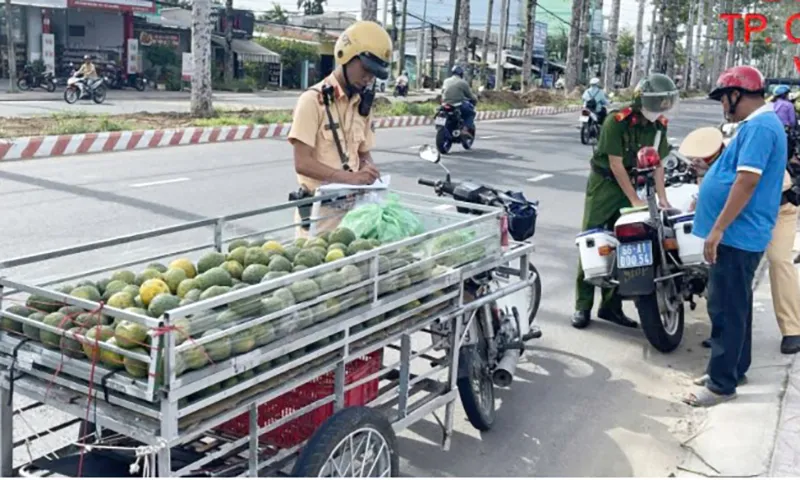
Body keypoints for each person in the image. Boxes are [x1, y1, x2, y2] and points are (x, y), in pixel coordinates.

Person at [684, 65, 787, 407]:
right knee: (736, 305)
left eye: (723, 98)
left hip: (738, 234)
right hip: (741, 232)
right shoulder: (758, 124)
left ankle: (721, 384)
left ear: (736, 95)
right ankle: (732, 368)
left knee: (725, 308)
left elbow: (747, 181)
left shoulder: (760, 126)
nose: (722, 106)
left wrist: (717, 228)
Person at [572, 73, 678, 330]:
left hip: (632, 183)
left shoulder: (658, 127)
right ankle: (582, 306)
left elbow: (659, 164)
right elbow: (615, 164)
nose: (660, 108)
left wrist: (663, 198)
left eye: (664, 103)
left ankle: (611, 306)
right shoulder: (616, 122)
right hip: (604, 186)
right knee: (593, 239)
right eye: (656, 103)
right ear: (641, 101)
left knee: (625, 243)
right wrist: (633, 199)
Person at [286, 21, 390, 234]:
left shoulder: (362, 106)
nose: (369, 78)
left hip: (353, 218)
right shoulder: (312, 101)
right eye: (366, 69)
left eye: (375, 74)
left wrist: (369, 172)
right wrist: (350, 178)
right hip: (319, 219)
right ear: (346, 56)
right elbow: (302, 163)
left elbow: (363, 153)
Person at [441, 65, 478, 137]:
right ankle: (464, 130)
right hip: (457, 104)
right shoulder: (463, 83)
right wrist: (475, 99)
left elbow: (442, 92)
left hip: (445, 104)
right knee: (471, 113)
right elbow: (470, 95)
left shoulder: (446, 81)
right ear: (461, 74)